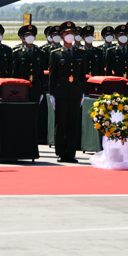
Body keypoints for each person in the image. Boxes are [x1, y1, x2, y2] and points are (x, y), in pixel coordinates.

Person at [47, 22, 85, 162]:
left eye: (72, 33)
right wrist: (51, 94)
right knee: (61, 123)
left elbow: (82, 74)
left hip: (75, 90)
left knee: (73, 124)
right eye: (66, 33)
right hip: (61, 91)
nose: (70, 36)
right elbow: (52, 75)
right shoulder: (55, 54)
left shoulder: (80, 52)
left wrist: (83, 92)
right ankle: (61, 152)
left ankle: (71, 153)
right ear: (62, 36)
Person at [12, 24, 44, 102]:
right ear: (23, 37)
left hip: (36, 85)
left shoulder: (40, 52)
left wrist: (42, 91)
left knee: (35, 109)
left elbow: (41, 73)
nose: (30, 37)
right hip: (22, 84)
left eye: (32, 35)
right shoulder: (17, 53)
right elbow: (14, 72)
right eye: (27, 35)